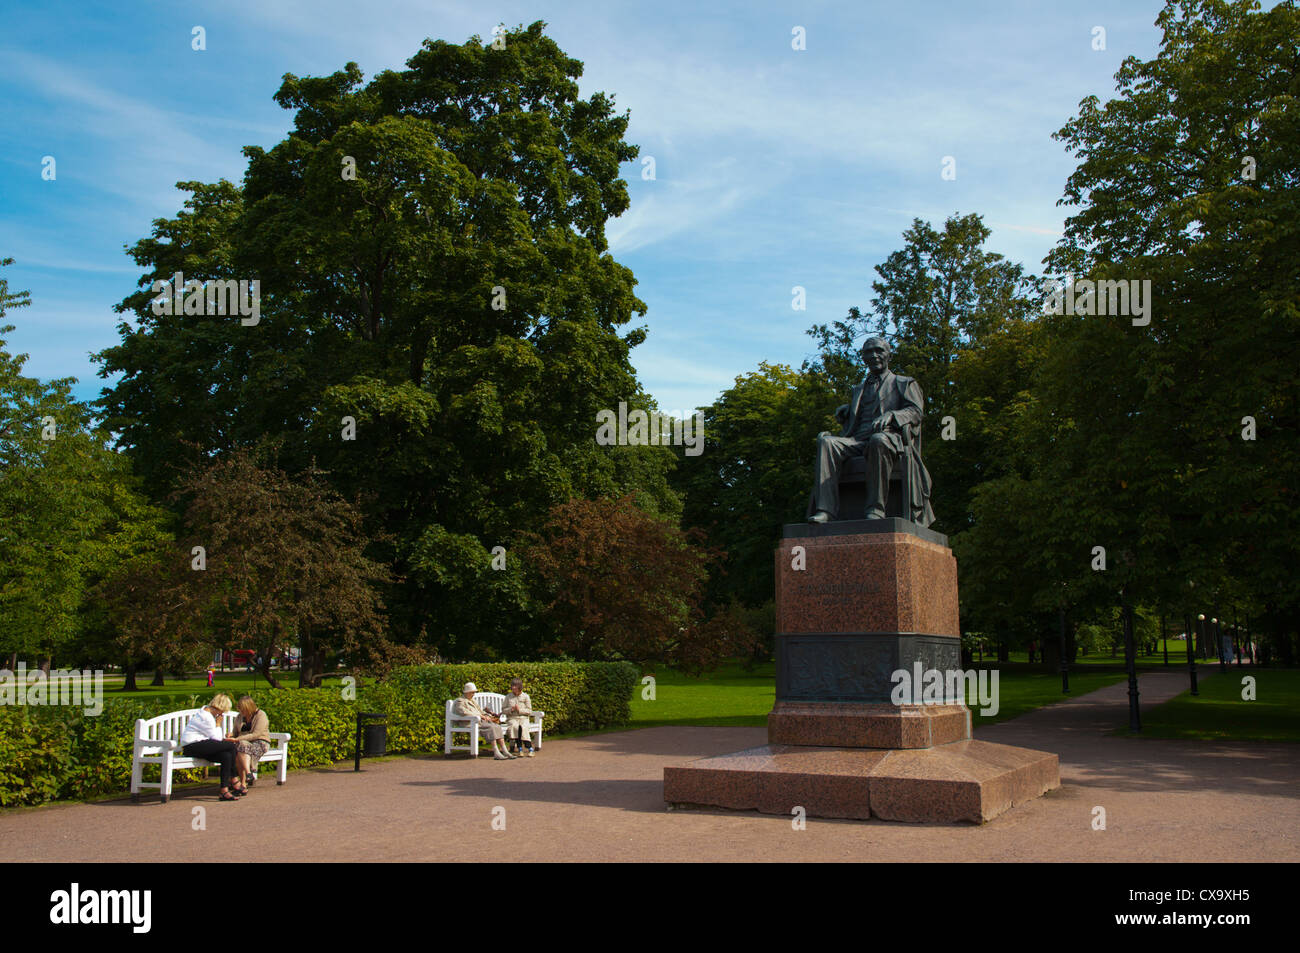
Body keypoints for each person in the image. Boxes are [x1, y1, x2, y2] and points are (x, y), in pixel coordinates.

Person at [807, 336, 934, 525]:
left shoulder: (904, 383)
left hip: (890, 439)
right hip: (857, 440)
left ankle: (876, 509)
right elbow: (861, 416)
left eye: (879, 350)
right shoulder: (859, 388)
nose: (874, 355)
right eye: (868, 352)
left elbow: (916, 412)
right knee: (827, 442)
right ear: (863, 358)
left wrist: (892, 415)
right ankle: (826, 510)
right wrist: (848, 411)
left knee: (878, 440)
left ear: (889, 355)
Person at [179, 694, 243, 800]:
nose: (223, 713)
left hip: (200, 744)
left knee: (226, 756)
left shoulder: (205, 712)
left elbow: (213, 739)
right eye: (223, 710)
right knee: (231, 746)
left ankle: (224, 790)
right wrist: (218, 724)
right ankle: (234, 780)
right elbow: (217, 738)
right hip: (192, 745)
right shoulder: (206, 717)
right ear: (220, 708)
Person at [452, 682, 514, 760]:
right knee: (491, 727)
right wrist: (479, 716)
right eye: (472, 692)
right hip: (470, 723)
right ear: (467, 692)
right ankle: (496, 752)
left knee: (497, 726)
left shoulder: (472, 701)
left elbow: (481, 711)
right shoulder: (460, 701)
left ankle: (505, 751)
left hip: (479, 722)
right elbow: (464, 712)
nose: (473, 694)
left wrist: (487, 716)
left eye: (474, 692)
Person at [228, 695, 271, 789]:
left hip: (260, 742)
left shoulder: (261, 715)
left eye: (243, 709)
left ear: (249, 707)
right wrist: (230, 735)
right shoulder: (240, 717)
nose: (241, 712)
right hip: (242, 744)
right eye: (240, 709)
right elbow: (235, 732)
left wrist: (237, 739)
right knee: (240, 748)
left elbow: (256, 734)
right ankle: (248, 775)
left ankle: (243, 782)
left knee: (241, 747)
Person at [503, 678, 536, 757]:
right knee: (515, 727)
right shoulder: (508, 697)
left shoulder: (525, 696)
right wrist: (510, 709)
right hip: (512, 718)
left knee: (523, 727)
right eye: (512, 686)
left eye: (515, 686)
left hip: (523, 718)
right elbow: (503, 710)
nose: (513, 687)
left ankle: (530, 749)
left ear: (519, 687)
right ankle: (520, 749)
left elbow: (529, 711)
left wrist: (519, 710)